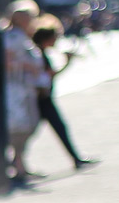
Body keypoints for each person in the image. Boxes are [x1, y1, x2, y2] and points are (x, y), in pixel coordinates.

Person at [31, 16, 97, 170]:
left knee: (39, 131)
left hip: (43, 99)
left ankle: (76, 158)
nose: (56, 41)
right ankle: (76, 159)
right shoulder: (38, 54)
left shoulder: (39, 52)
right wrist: (67, 63)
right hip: (42, 99)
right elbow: (47, 76)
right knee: (31, 132)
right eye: (55, 37)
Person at [4, 0, 45, 184]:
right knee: (20, 128)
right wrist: (28, 66)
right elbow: (6, 62)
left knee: (28, 126)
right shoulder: (12, 37)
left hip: (24, 90)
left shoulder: (21, 36)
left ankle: (18, 162)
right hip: (16, 91)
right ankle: (18, 164)